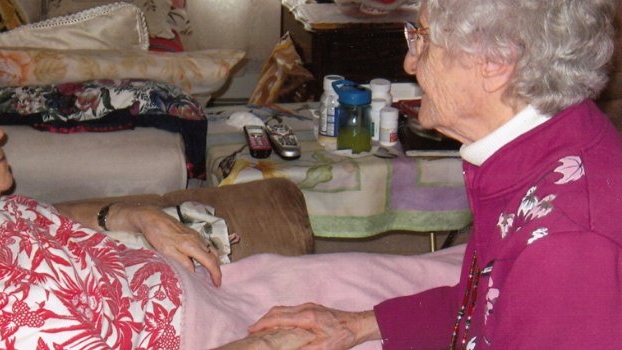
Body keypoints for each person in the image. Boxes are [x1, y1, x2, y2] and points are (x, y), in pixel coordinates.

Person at [0, 51, 470, 349]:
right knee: (450, 330)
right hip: (234, 334)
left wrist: (132, 215)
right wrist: (266, 344)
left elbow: (55, 221)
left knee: (457, 279)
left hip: (229, 287)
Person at [249, 0, 622, 348]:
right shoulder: (538, 147)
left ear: (495, 61)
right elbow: (485, 307)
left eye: (422, 40)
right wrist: (358, 324)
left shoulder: (569, 243)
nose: (410, 63)